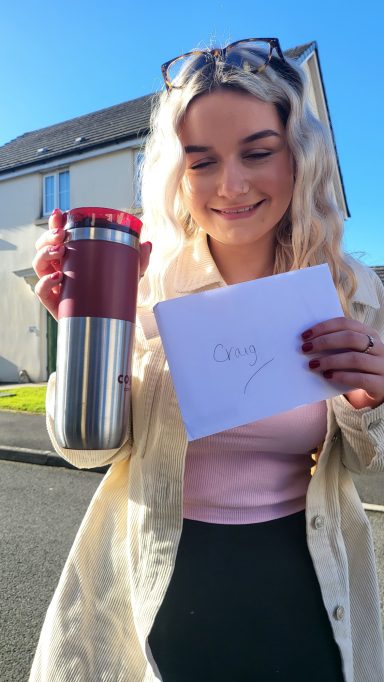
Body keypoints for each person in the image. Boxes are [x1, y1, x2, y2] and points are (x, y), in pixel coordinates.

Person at [30, 38, 384, 682]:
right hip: (165, 575)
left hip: (305, 570)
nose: (232, 185)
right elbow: (85, 450)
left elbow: (367, 458)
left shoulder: (349, 290)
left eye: (257, 153)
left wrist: (372, 402)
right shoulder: (139, 282)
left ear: (298, 158)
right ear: (177, 175)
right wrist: (82, 336)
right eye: (203, 163)